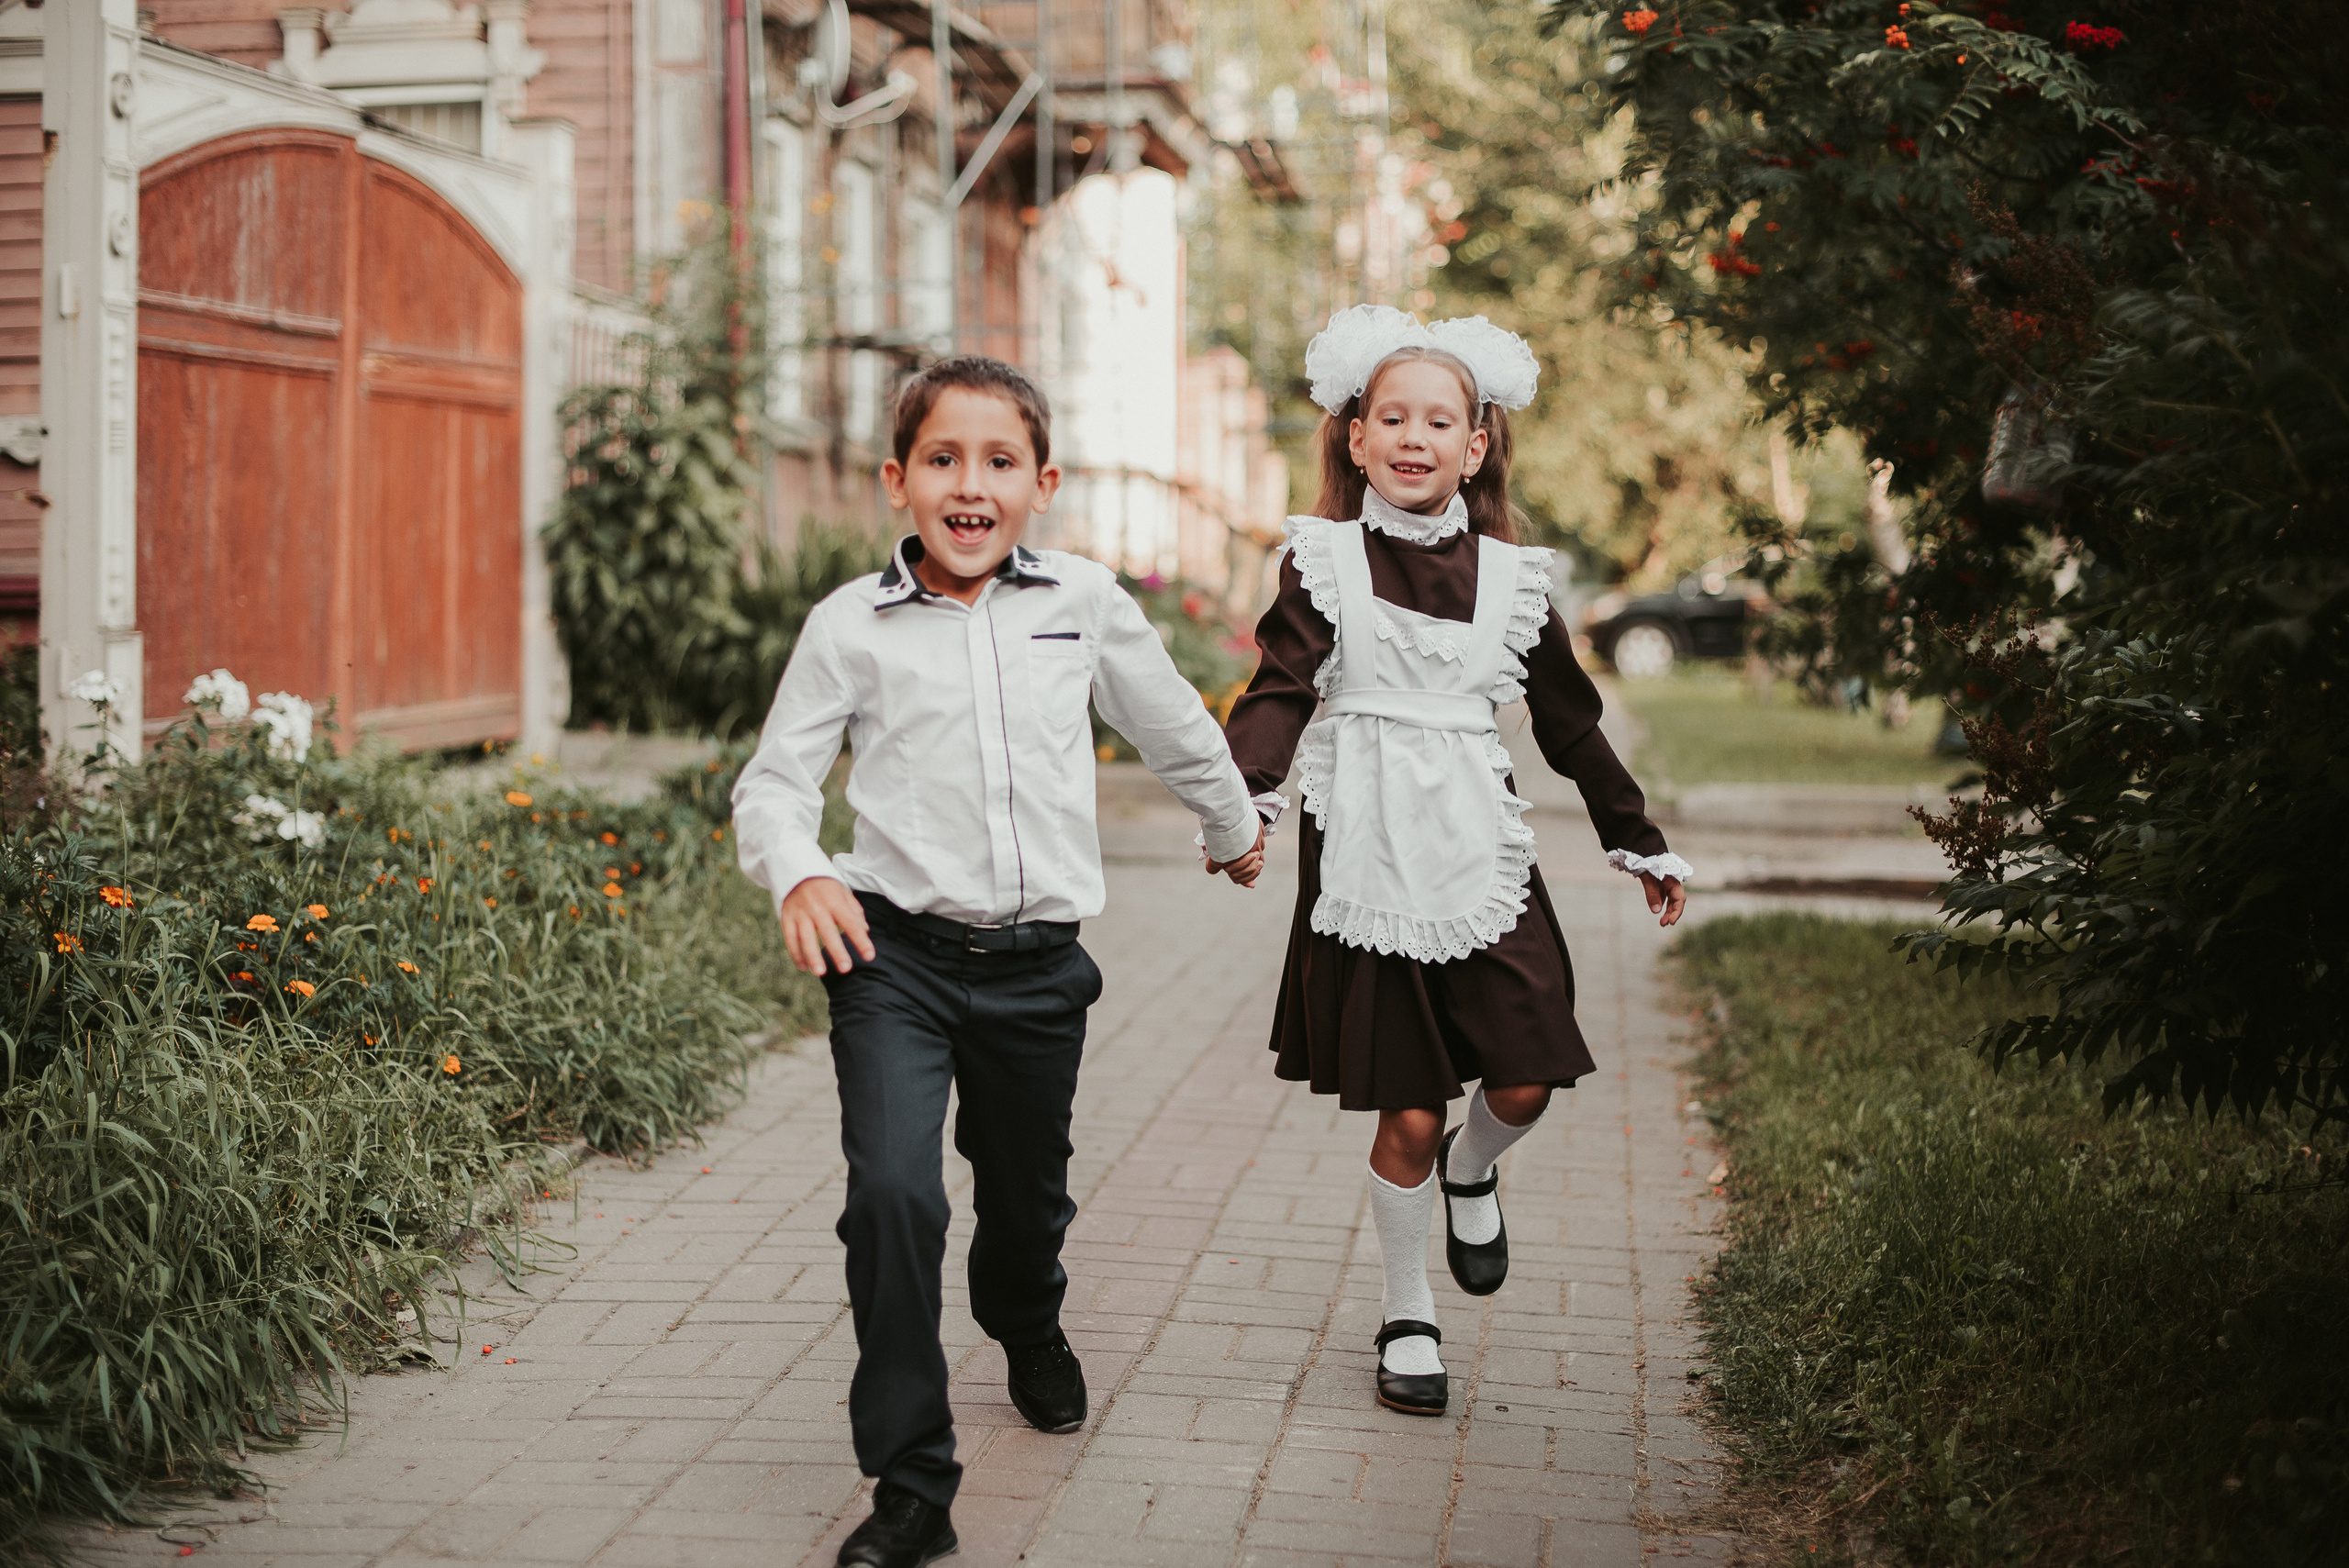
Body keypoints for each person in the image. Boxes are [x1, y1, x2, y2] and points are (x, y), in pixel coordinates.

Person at [730, 356, 1267, 1568]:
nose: (970, 484)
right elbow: (774, 782)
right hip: (892, 959)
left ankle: (1025, 1317)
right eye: (943, 459)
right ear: (897, 481)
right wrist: (801, 870)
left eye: (998, 461)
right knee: (894, 1196)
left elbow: (1171, 722)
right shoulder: (850, 624)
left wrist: (1233, 827)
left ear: (1042, 485)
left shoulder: (1082, 600)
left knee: (1024, 1205)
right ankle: (913, 1484)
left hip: (1036, 972)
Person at [1218, 306, 1692, 1417]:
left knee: (1527, 1069)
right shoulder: (1322, 560)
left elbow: (1570, 720)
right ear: (1355, 437)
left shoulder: (1515, 579)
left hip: (1481, 842)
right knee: (1410, 1112)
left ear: (1475, 446)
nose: (1414, 437)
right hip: (1364, 849)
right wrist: (1244, 799)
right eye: (1393, 417)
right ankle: (1407, 1312)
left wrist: (1635, 836)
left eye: (1440, 421)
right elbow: (1280, 688)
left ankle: (1472, 1169)